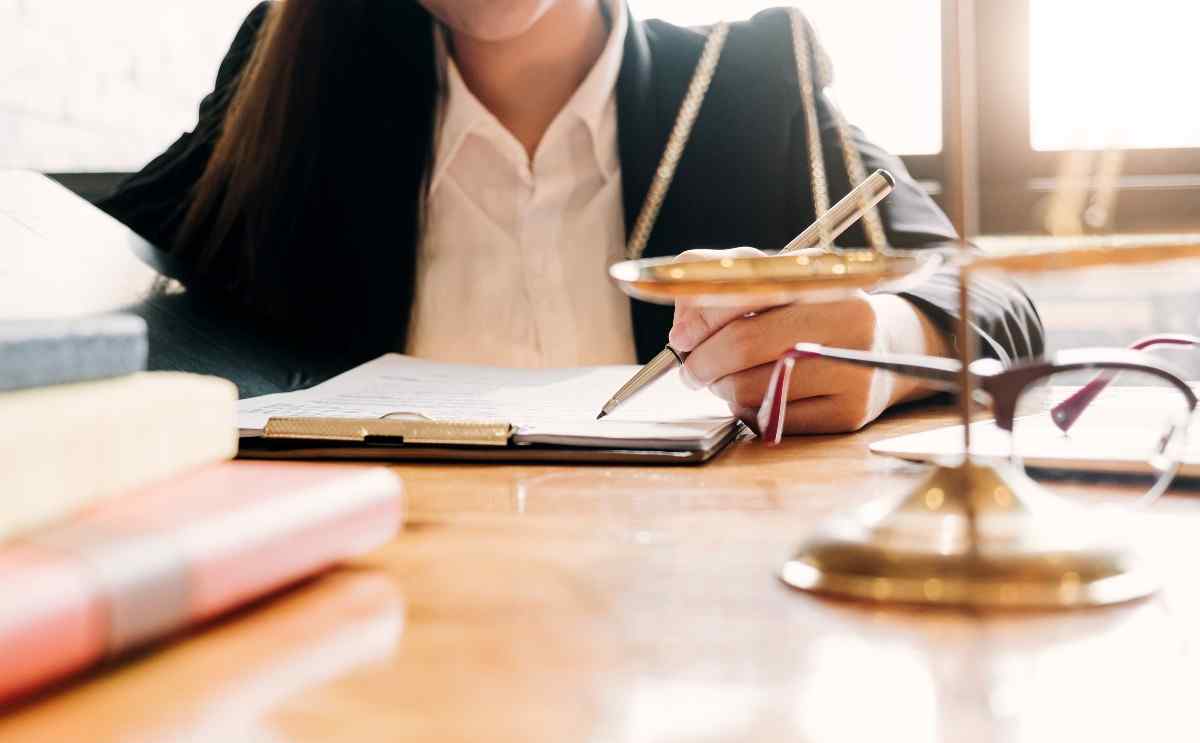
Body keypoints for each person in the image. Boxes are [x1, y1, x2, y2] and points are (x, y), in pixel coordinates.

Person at [100, 0, 1043, 434]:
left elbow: (991, 295)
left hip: (681, 630)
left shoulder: (739, 84)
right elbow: (97, 255)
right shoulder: (296, 78)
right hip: (374, 618)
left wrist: (879, 344)